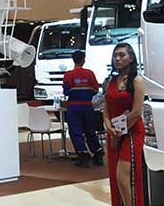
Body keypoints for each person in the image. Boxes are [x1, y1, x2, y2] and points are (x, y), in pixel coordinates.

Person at [103, 43, 146, 206]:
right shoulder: (110, 81)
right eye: (115, 55)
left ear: (131, 58)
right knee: (116, 177)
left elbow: (136, 112)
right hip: (113, 131)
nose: (117, 59)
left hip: (132, 131)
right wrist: (108, 125)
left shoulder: (137, 80)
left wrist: (118, 133)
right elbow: (106, 106)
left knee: (123, 175)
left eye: (122, 55)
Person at [62, 50, 104, 167]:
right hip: (87, 105)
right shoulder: (90, 73)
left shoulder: (68, 75)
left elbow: (66, 91)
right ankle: (98, 153)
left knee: (75, 131)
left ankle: (83, 154)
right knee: (90, 130)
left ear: (73, 60)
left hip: (73, 106)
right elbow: (95, 89)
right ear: (83, 60)